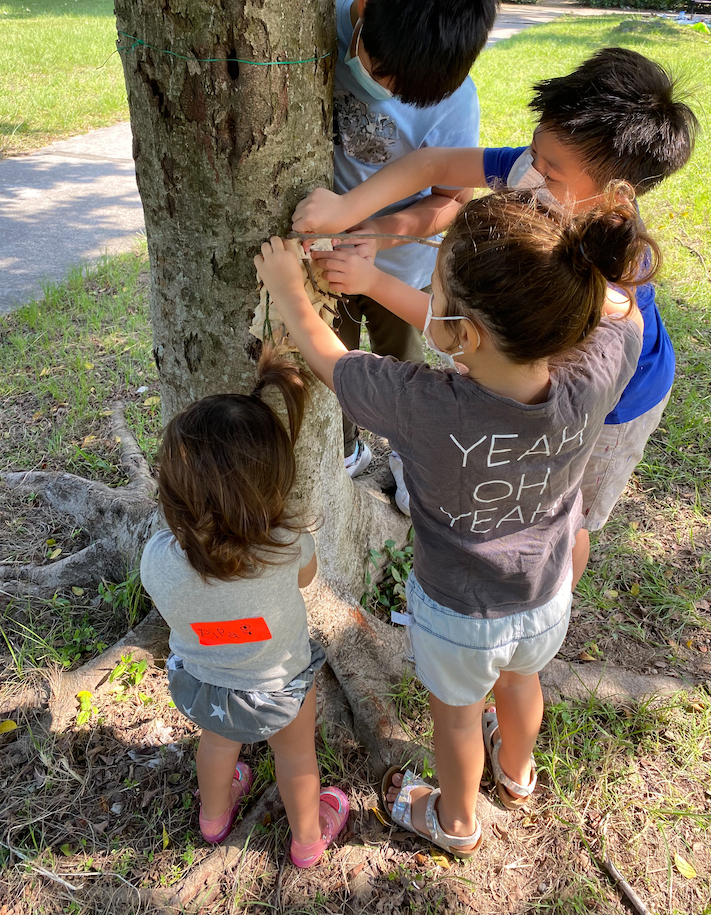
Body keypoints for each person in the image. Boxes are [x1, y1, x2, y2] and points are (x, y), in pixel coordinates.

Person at [256, 187, 651, 857]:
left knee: (459, 719)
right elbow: (625, 312)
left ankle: (457, 821)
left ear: (463, 336)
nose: (427, 297)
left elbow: (328, 360)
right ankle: (518, 777)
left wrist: (288, 287)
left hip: (457, 617)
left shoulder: (422, 406)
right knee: (521, 682)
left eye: (433, 289)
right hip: (546, 596)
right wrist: (576, 263)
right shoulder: (594, 375)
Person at [297, 48, 697, 558]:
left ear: (615, 196)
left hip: (615, 407)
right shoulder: (544, 175)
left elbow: (474, 338)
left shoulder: (600, 277)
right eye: (533, 148)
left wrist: (372, 282)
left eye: (551, 170)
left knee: (567, 519)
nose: (529, 170)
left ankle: (557, 589)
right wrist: (350, 211)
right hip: (543, 378)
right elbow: (434, 163)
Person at [139, 349, 348, 867]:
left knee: (216, 746)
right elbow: (308, 578)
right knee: (295, 756)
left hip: (205, 684)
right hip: (280, 687)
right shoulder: (286, 546)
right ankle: (307, 840)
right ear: (273, 485)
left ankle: (213, 818)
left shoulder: (157, 559)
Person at [331, 0, 499, 478]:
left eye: (405, 94)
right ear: (364, 11)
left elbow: (451, 201)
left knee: (401, 368)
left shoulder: (456, 102)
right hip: (324, 258)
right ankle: (344, 447)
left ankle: (407, 456)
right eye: (381, 73)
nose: (383, 90)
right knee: (332, 364)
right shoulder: (319, 7)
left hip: (400, 265)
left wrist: (380, 232)